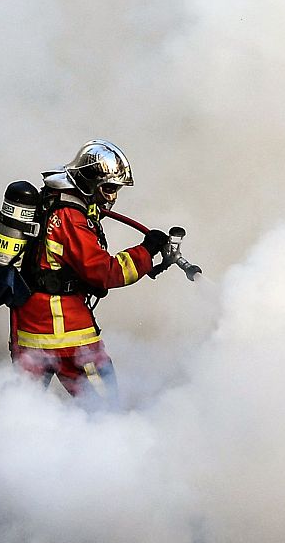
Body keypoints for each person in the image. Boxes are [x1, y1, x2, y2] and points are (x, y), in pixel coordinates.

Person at [9, 139, 168, 400]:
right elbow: (104, 272)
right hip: (65, 334)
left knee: (24, 409)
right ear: (88, 182)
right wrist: (146, 252)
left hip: (31, 329)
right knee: (105, 407)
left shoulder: (53, 200)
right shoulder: (70, 216)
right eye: (107, 188)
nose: (112, 197)